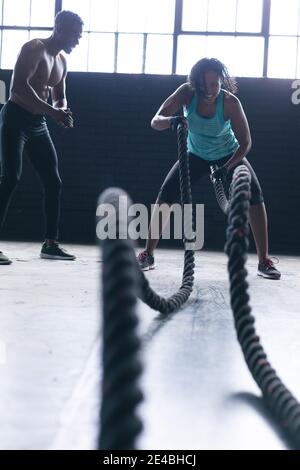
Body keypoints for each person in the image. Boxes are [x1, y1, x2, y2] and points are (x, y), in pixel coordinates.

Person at [137, 58, 281, 280]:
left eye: (215, 84)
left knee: (255, 196)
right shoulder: (186, 93)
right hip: (194, 155)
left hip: (228, 155)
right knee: (166, 194)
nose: (210, 90)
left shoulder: (231, 103)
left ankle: (264, 261)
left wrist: (226, 167)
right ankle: (148, 254)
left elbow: (245, 143)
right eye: (205, 85)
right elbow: (156, 121)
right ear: (196, 83)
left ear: (222, 82)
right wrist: (173, 121)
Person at [0, 10, 83, 265]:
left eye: (79, 37)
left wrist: (63, 110)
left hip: (38, 123)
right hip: (15, 117)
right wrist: (53, 112)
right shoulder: (33, 49)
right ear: (59, 29)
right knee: (11, 177)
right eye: (74, 36)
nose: (77, 41)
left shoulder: (62, 62)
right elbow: (19, 88)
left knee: (53, 181)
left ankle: (50, 244)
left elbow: (59, 95)